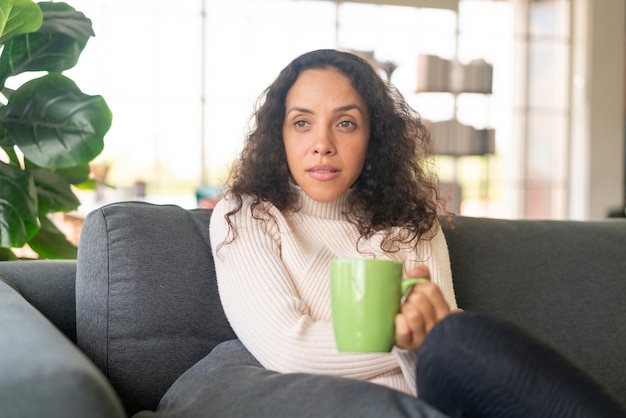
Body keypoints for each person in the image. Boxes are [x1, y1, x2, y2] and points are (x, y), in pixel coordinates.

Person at [205, 49, 626, 417]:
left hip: (442, 397)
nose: (322, 143)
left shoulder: (410, 221)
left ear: (373, 137)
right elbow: (288, 349)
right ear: (279, 134)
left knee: (460, 336)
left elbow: (444, 343)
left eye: (346, 123)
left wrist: (426, 336)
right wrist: (403, 341)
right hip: (349, 406)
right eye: (302, 123)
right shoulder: (250, 215)